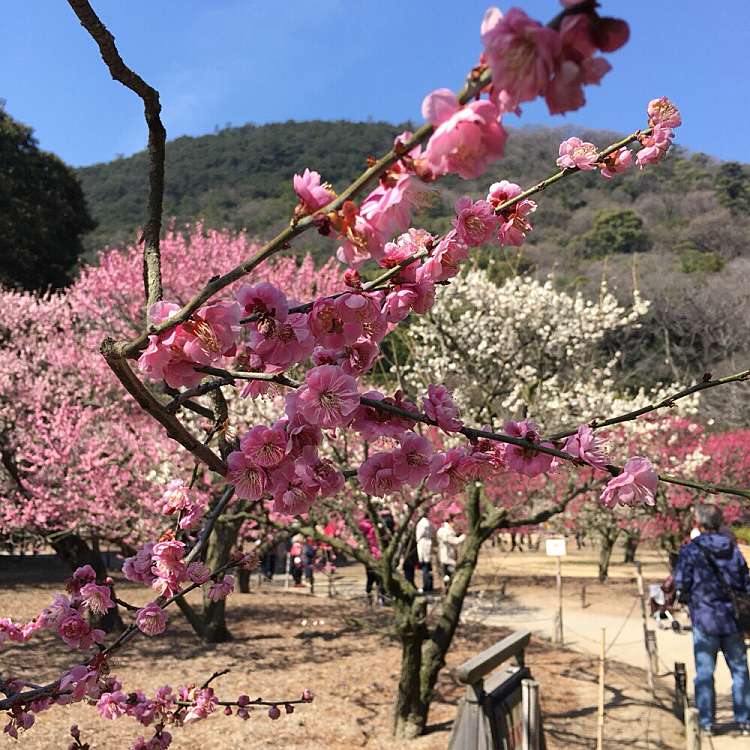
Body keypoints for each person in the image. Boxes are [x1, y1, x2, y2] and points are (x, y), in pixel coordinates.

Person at [674, 503, 750, 736]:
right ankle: (744, 720)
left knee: (705, 673)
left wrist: (686, 597)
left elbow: (681, 583)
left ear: (698, 523)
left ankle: (706, 722)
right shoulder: (733, 548)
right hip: (733, 620)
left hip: (705, 620)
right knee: (739, 671)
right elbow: (745, 581)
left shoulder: (691, 550)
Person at [437, 518, 465, 585]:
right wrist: (464, 536)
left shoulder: (441, 530)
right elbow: (455, 541)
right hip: (447, 556)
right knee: (450, 572)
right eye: (453, 522)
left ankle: (447, 587)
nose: (454, 525)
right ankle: (449, 588)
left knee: (447, 574)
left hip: (445, 555)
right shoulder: (447, 531)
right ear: (450, 522)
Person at [416, 515, 435, 593]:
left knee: (425, 566)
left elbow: (419, 535)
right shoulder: (428, 523)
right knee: (428, 566)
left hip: (423, 545)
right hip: (428, 544)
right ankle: (429, 585)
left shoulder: (422, 523)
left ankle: (426, 585)